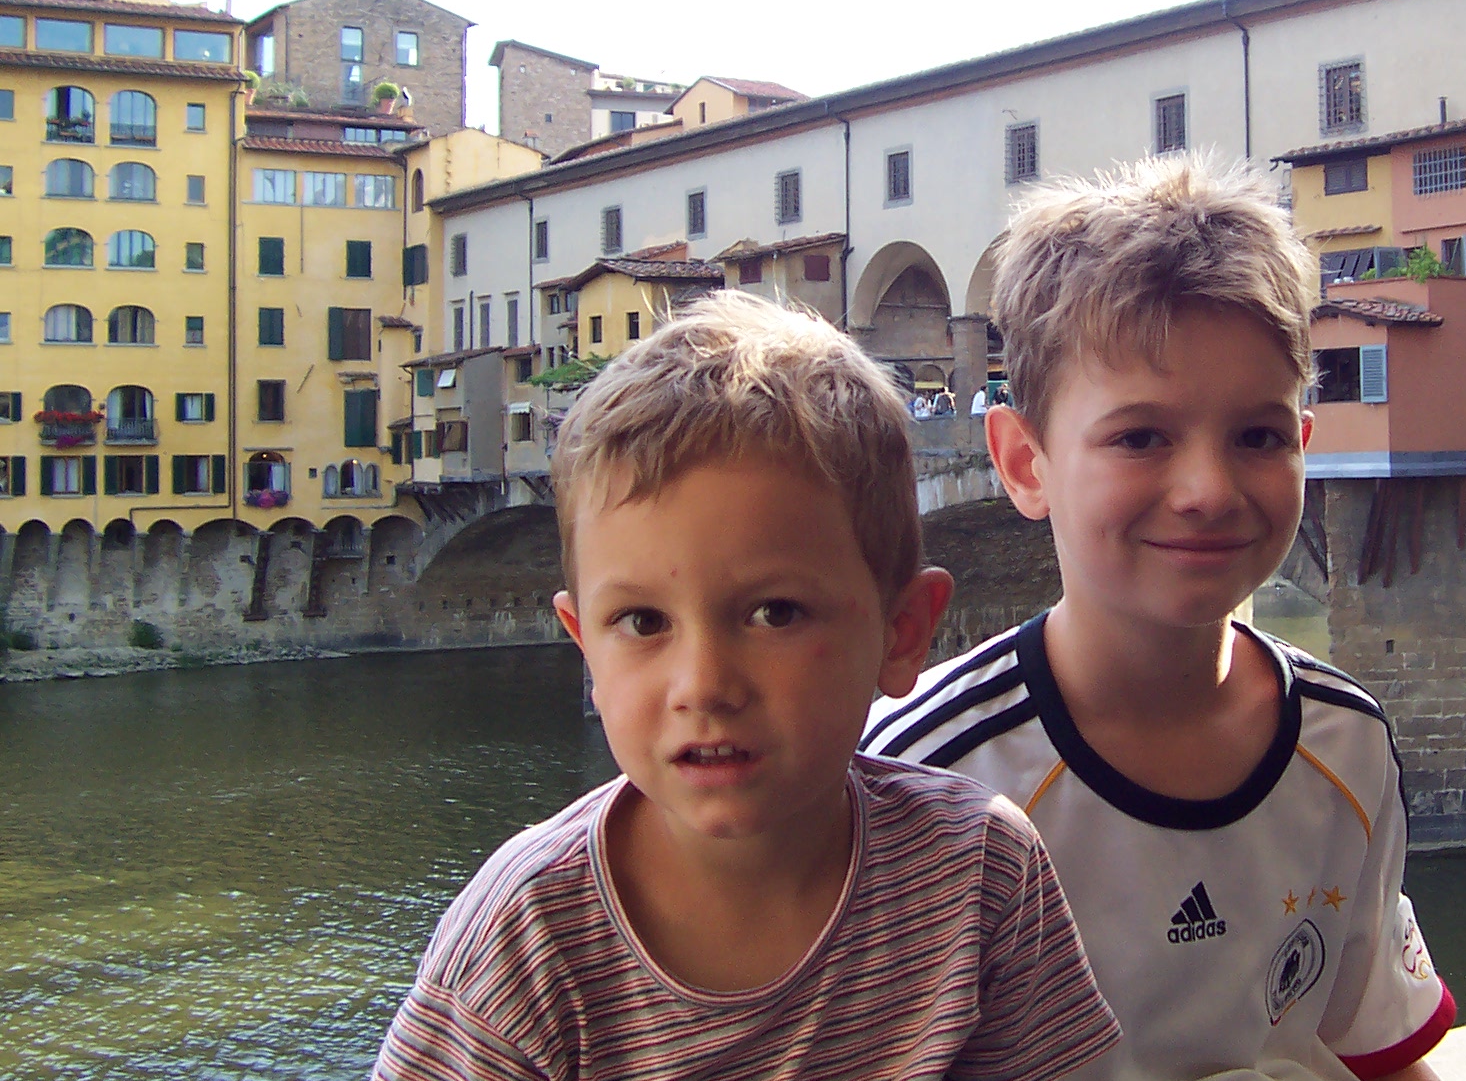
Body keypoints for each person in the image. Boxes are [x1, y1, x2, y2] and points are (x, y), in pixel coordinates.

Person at [375, 292, 1119, 1081]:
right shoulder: (524, 940)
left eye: (774, 613)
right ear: (585, 648)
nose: (703, 685)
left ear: (900, 634)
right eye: (641, 622)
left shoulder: (978, 872)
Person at [865, 155, 1452, 1081]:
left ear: (1303, 444)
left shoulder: (1347, 744)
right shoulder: (918, 781)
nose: (1207, 491)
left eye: (1256, 437)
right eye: (1141, 436)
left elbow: (1372, 1046)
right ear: (1025, 462)